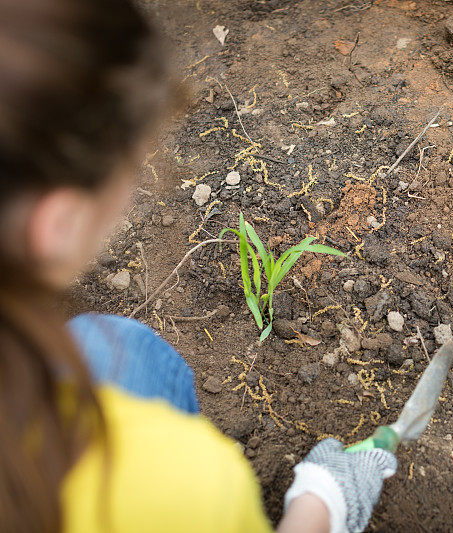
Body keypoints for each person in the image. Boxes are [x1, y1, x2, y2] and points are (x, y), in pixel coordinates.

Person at [0, 0, 397, 532]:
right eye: (130, 168)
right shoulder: (183, 487)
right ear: (58, 223)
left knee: (114, 342)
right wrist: (321, 504)